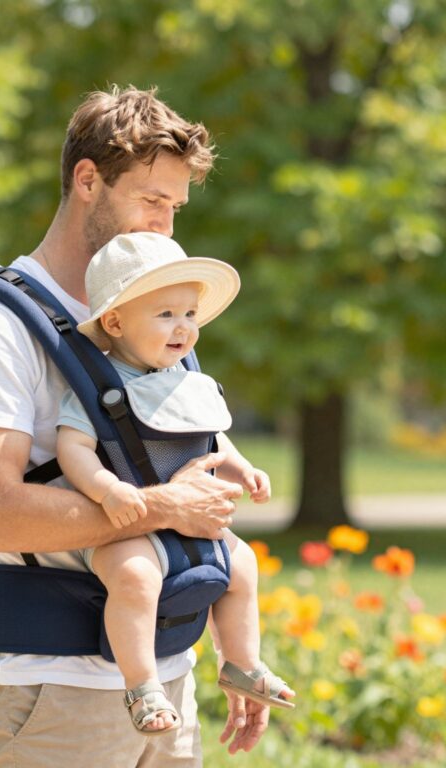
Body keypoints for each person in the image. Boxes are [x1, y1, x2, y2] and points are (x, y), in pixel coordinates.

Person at [0, 86, 270, 767]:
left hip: (169, 678)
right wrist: (158, 508)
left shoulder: (160, 321)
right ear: (87, 181)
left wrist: (238, 648)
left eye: (174, 208)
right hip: (52, 689)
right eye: (151, 202)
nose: (163, 230)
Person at [56, 232, 296, 736]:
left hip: (191, 524)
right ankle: (142, 686)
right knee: (136, 578)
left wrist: (243, 469)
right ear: (116, 322)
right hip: (124, 525)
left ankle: (240, 662)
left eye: (189, 315)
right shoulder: (98, 386)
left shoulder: (188, 381)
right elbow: (72, 449)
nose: (183, 327)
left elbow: (213, 441)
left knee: (243, 564)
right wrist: (106, 489)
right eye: (165, 315)